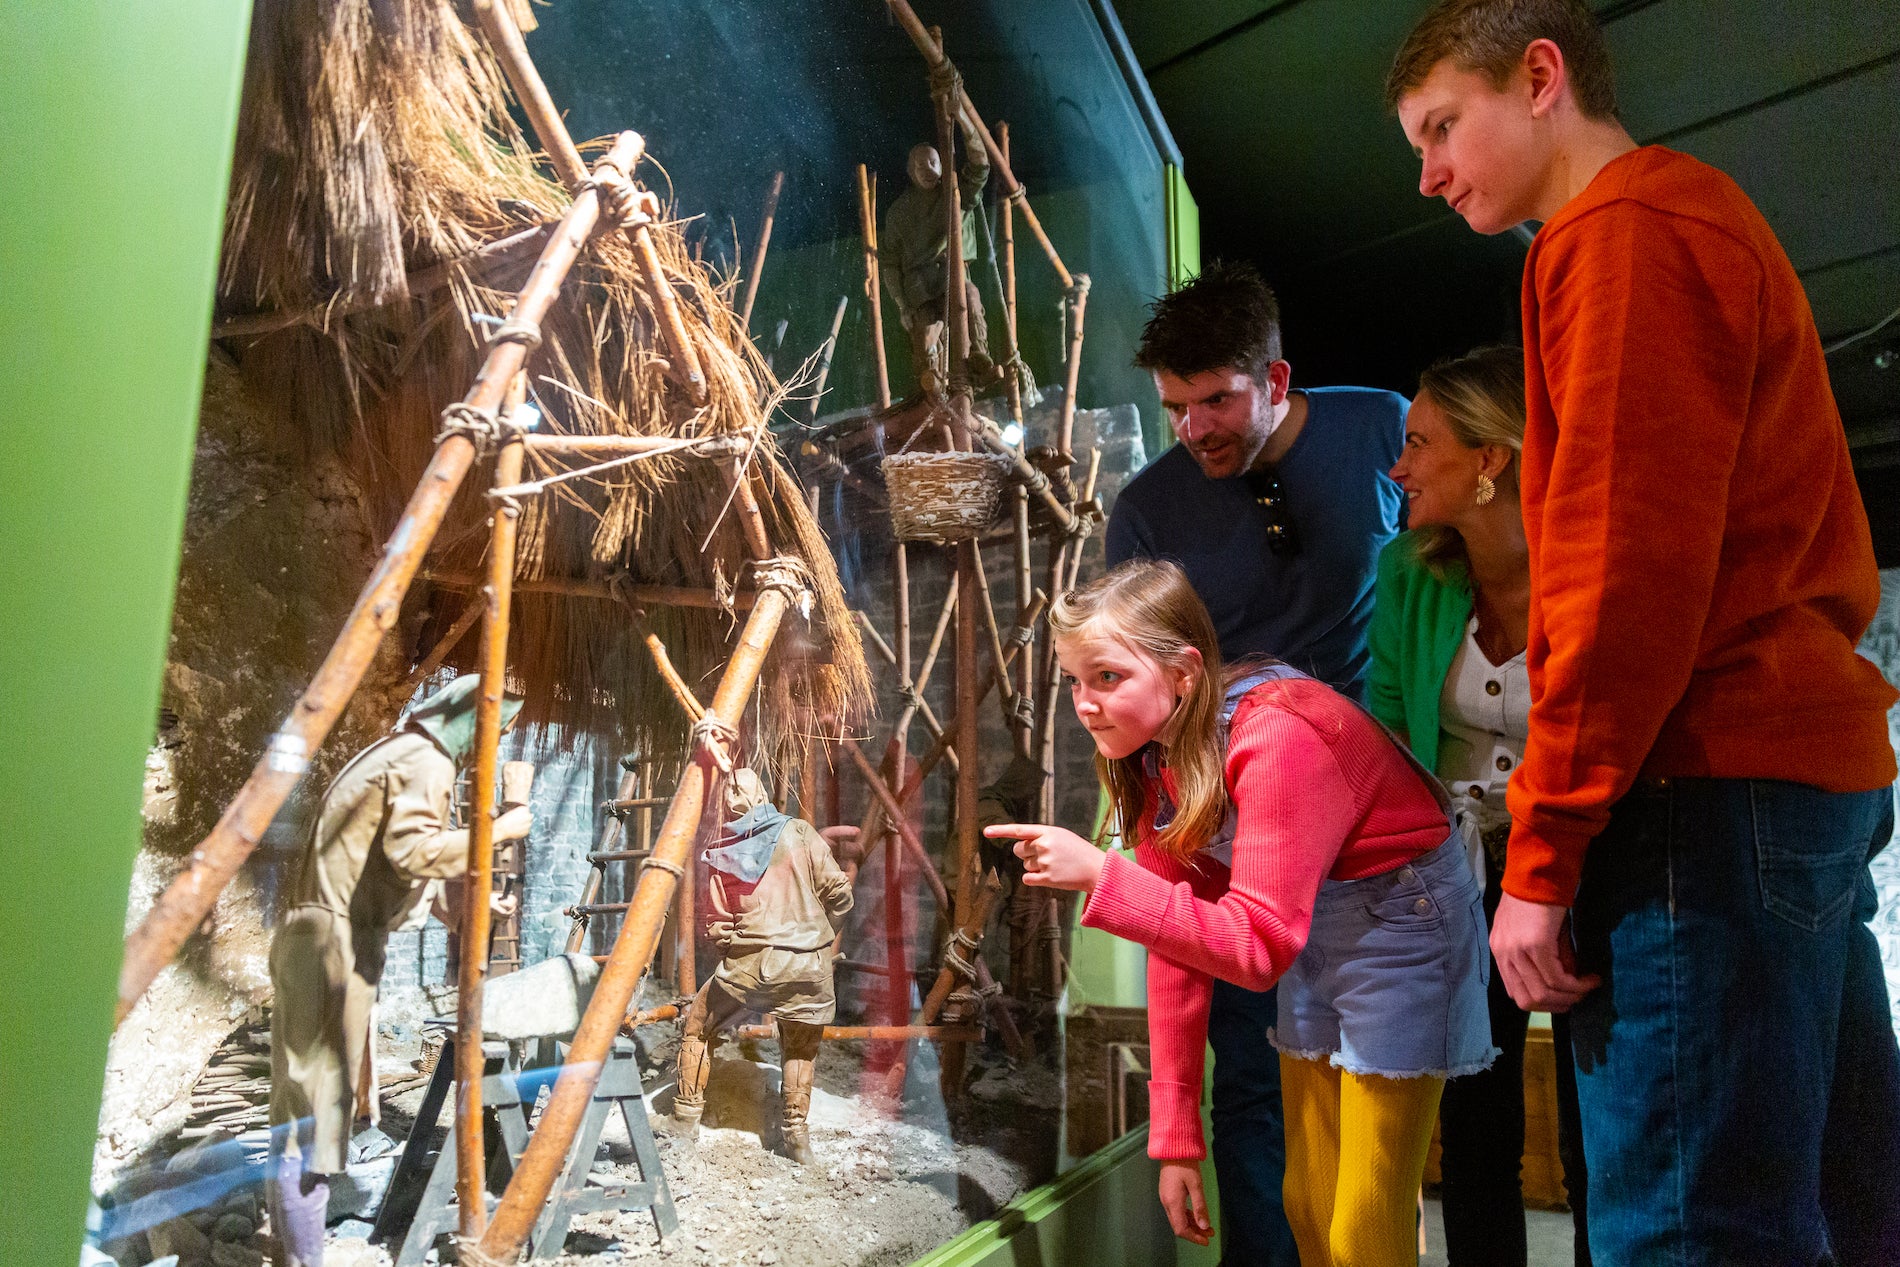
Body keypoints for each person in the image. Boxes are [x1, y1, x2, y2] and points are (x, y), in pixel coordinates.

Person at [1386, 4, 1900, 1262]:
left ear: (1542, 77)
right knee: (1838, 1206)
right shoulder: (1689, 217)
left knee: (1688, 1232)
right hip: (1787, 786)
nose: (1429, 173)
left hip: (1700, 795)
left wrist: (1542, 853)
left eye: (1442, 126)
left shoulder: (1617, 233)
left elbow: (1622, 578)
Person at [986, 559, 1493, 1267]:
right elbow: (1177, 946)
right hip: (1317, 927)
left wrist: (1105, 874)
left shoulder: (1276, 735)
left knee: (1364, 1219)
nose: (1085, 702)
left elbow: (1255, 948)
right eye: (1074, 680)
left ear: (1185, 672)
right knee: (1306, 1199)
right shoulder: (1154, 762)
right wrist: (1175, 1143)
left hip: (1403, 923)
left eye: (1107, 677)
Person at [1105, 258, 1409, 1265]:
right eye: (1175, 407)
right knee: (1250, 1077)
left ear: (1276, 381)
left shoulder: (1381, 427)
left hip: (1382, 829)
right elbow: (1145, 689)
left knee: (1383, 1078)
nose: (1195, 428)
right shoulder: (1147, 512)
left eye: (1216, 400)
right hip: (1239, 827)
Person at [1368, 345, 1588, 1265]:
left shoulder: (1586, 562)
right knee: (1477, 1129)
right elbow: (1384, 732)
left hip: (1580, 867)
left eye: (1420, 443)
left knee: (1599, 1123)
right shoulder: (1407, 571)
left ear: (1491, 458)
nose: (1398, 466)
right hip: (1453, 880)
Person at [267, 675, 532, 1267]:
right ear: (472, 721)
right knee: (312, 1121)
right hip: (329, 946)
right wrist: (499, 832)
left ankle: (297, 1254)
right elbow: (411, 851)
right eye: (500, 731)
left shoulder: (399, 752)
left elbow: (393, 867)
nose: (497, 746)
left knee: (307, 1114)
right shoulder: (425, 760)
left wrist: (458, 906)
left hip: (328, 938)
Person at [667, 767, 853, 1166]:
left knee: (698, 1026)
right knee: (801, 1047)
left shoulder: (722, 848)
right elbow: (840, 896)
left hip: (749, 966)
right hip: (809, 966)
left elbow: (718, 926)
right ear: (763, 794)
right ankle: (796, 1138)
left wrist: (740, 951)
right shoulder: (800, 832)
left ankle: (684, 1120)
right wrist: (817, 941)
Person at [881, 110, 996, 395]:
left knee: (969, 297)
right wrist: (902, 306)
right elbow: (890, 264)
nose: (927, 169)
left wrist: (965, 122)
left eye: (933, 162)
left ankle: (979, 356)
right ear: (911, 172)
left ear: (943, 164)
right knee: (927, 333)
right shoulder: (899, 213)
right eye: (919, 166)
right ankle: (931, 388)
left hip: (953, 277)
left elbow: (981, 165)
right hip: (919, 288)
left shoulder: (957, 193)